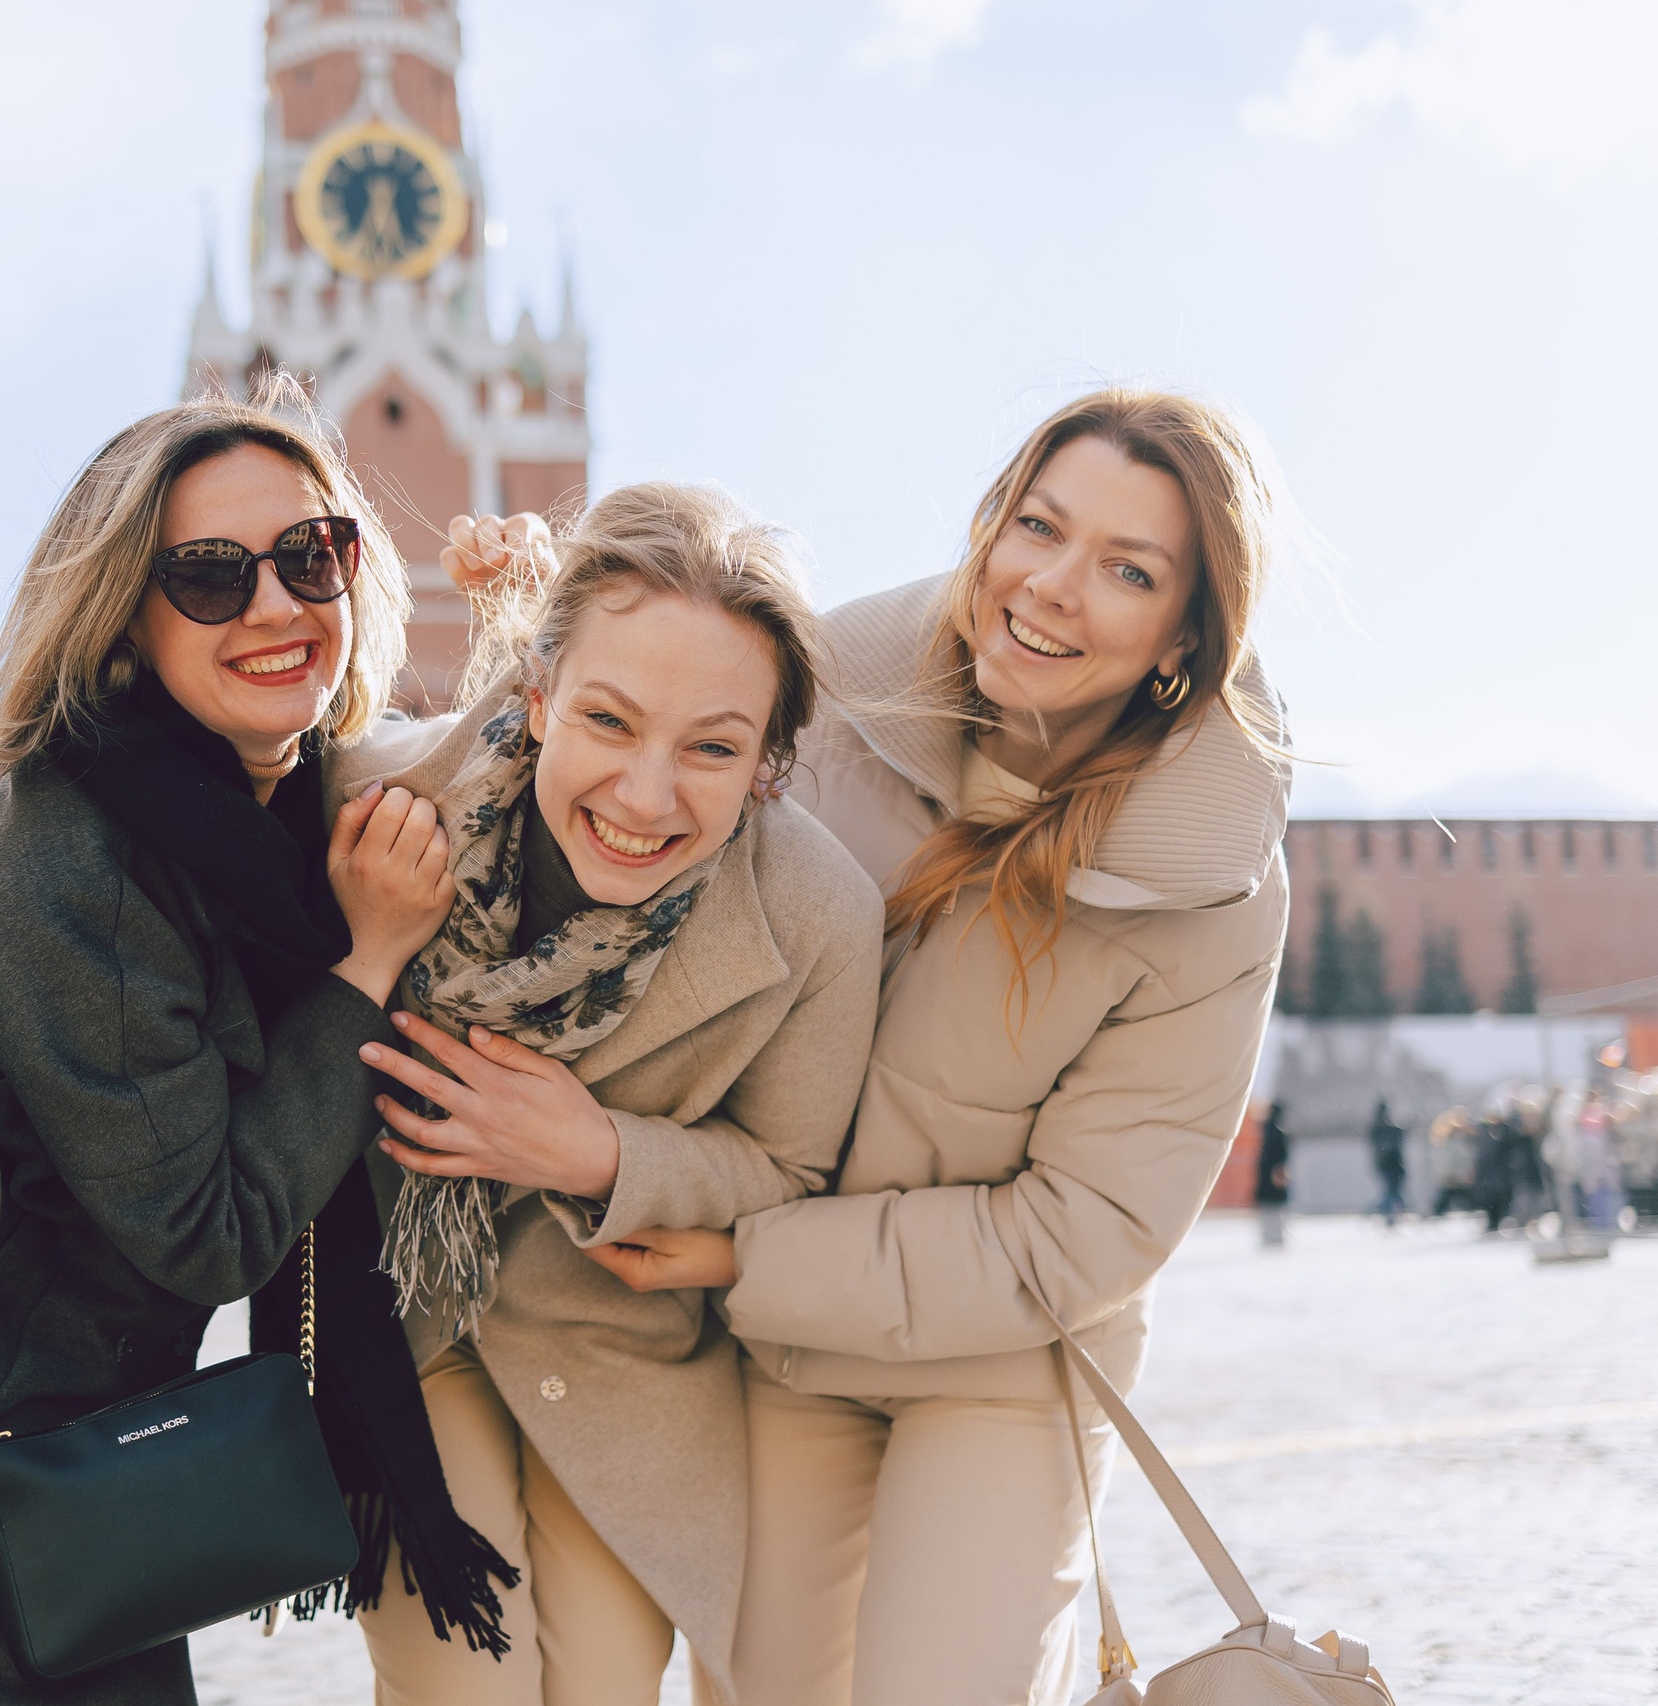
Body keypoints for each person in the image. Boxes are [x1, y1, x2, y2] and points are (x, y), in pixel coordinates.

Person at [0, 386, 478, 1704]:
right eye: (210, 577)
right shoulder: (75, 849)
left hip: (48, 1452)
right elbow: (208, 1228)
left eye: (313, 555)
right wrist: (369, 962)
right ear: (124, 614)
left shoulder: (221, 817)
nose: (280, 606)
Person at [570, 389, 1294, 1704]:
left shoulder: (1209, 877)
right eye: (1040, 525)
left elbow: (1085, 1230)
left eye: (1127, 571)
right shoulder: (830, 691)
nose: (1054, 587)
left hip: (1013, 1361)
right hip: (787, 1348)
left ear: (1182, 639)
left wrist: (748, 1251)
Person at [341, 485, 883, 1705]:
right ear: (535, 698)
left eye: (711, 746)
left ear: (768, 767)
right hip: (400, 1319)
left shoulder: (820, 917)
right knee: (460, 1686)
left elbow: (791, 1169)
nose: (645, 796)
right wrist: (368, 948)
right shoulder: (379, 800)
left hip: (618, 1354)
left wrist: (601, 1155)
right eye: (608, 719)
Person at [1257, 1100, 1294, 1246]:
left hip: (1272, 1176)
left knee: (1272, 1206)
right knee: (1274, 1206)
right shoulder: (1275, 1131)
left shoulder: (1272, 1131)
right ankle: (1273, 1235)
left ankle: (1273, 1235)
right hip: (1272, 1176)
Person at [1369, 1097, 1408, 1225]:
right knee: (1391, 1192)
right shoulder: (1382, 1129)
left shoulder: (1379, 1129)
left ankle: (1392, 1214)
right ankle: (1389, 1214)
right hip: (1390, 1164)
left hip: (1390, 1164)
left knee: (1391, 1192)